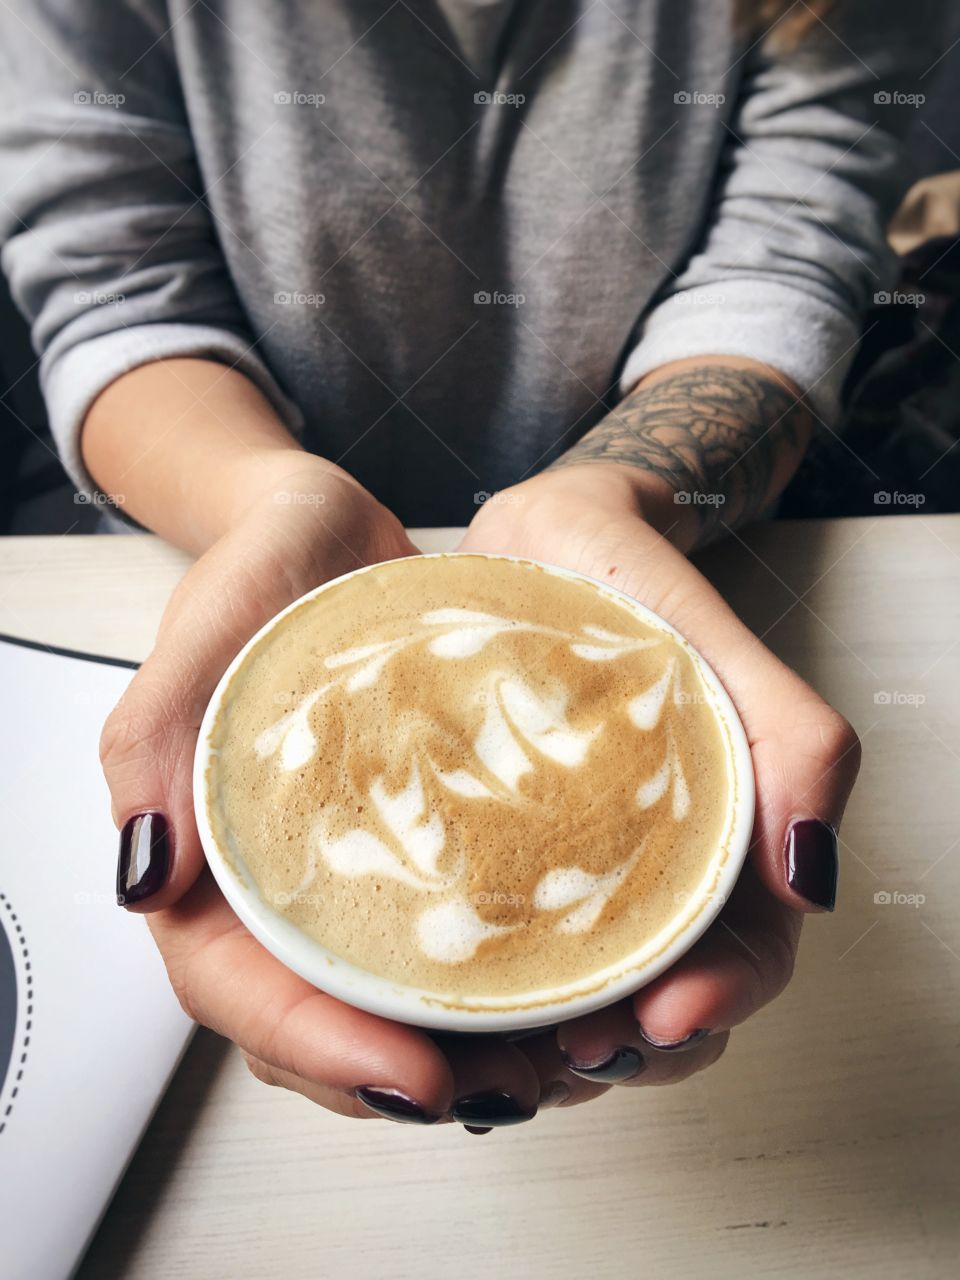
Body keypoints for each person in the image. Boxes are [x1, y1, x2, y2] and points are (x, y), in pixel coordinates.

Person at [0, 0, 941, 1128]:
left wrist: (611, 494)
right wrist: (276, 500)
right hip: (199, 573)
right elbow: (115, 290)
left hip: (691, 564)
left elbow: (788, 262)